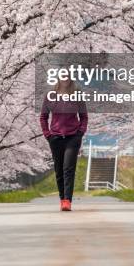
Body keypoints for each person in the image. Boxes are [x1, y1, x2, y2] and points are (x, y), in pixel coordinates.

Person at [40, 78, 88, 211]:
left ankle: (67, 200)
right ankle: (62, 199)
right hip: (55, 138)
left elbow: (84, 116)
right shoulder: (50, 95)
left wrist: (80, 133)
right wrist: (47, 135)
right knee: (59, 170)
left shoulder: (77, 95)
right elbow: (43, 117)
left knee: (68, 169)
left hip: (73, 138)